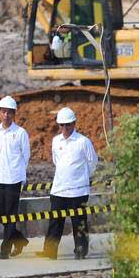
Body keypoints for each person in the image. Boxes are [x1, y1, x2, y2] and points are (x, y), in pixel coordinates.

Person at [36, 107, 98, 260]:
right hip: (59, 189)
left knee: (79, 222)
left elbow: (93, 162)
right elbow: (57, 162)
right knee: (55, 222)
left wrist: (81, 179)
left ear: (74, 123)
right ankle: (50, 251)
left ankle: (81, 250)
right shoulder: (56, 141)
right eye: (62, 125)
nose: (65, 128)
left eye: (68, 124)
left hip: (78, 191)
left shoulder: (83, 142)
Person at [0, 95, 30, 260]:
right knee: (0, 212)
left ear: (14, 114)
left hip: (14, 179)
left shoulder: (20, 133)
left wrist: (21, 176)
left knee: (11, 214)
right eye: (3, 112)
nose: (6, 115)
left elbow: (25, 156)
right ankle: (19, 240)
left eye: (9, 112)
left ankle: (4, 249)